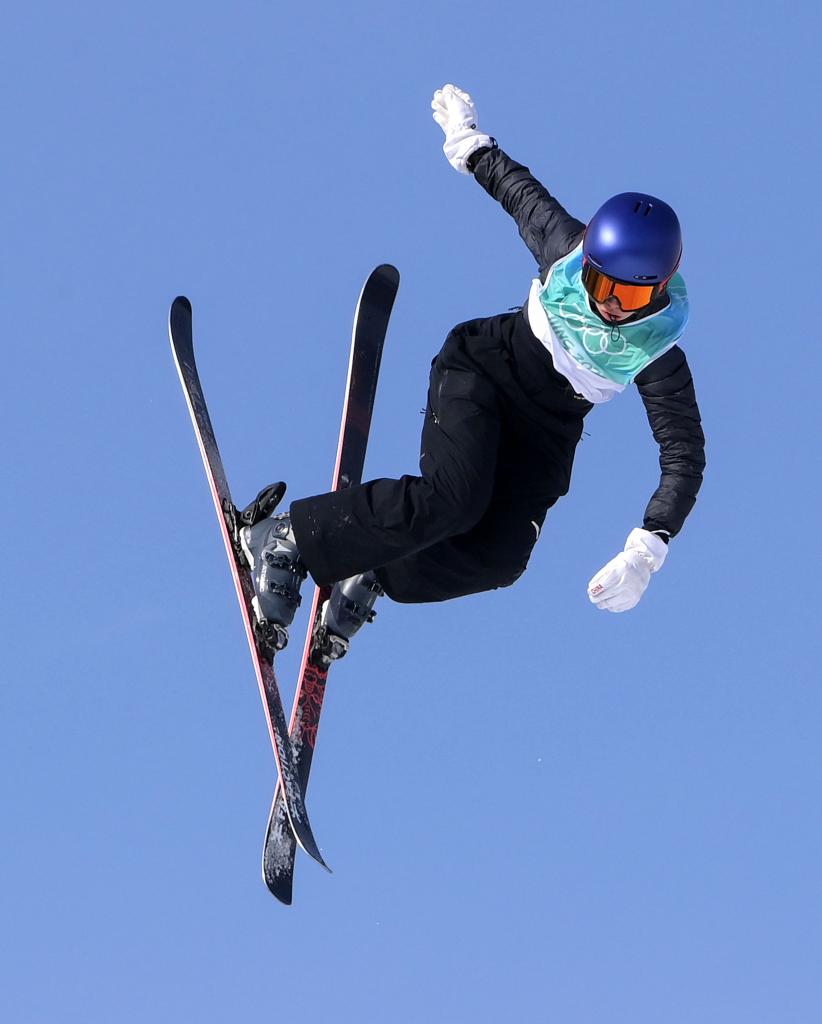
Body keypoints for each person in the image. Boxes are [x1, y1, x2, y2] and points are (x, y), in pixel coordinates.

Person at [240, 84, 705, 649]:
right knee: (454, 500)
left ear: (657, 291)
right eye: (597, 281)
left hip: (544, 437)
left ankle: (376, 568)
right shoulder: (564, 248)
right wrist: (468, 140)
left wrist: (647, 549)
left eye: (626, 296)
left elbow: (684, 457)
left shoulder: (657, 351)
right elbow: (520, 194)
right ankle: (287, 536)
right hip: (485, 371)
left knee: (500, 557)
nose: (605, 303)